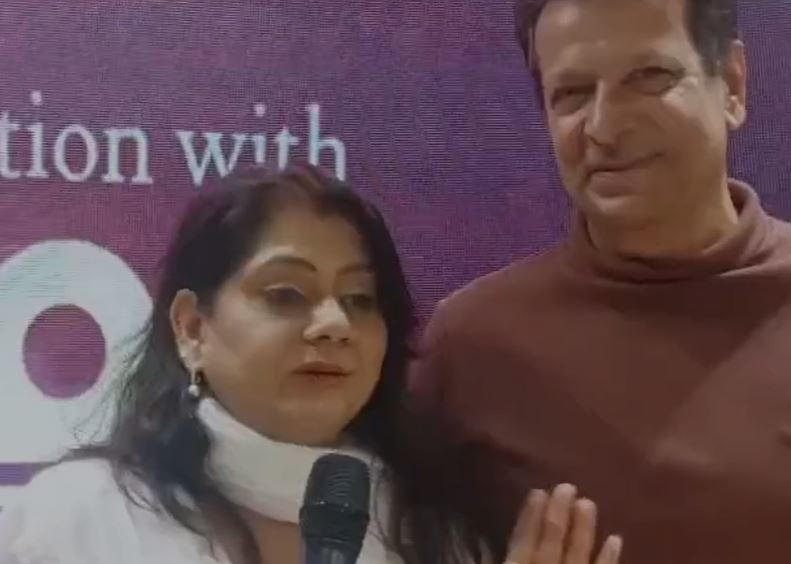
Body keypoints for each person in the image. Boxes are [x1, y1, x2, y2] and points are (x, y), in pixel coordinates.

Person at [412, 1, 791, 563]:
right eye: (572, 93)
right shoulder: (468, 346)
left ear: (731, 84)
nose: (605, 127)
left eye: (649, 77)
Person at [0, 163, 622, 564]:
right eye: (286, 294)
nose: (333, 324)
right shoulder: (70, 522)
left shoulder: (439, 538)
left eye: (360, 299)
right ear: (191, 327)